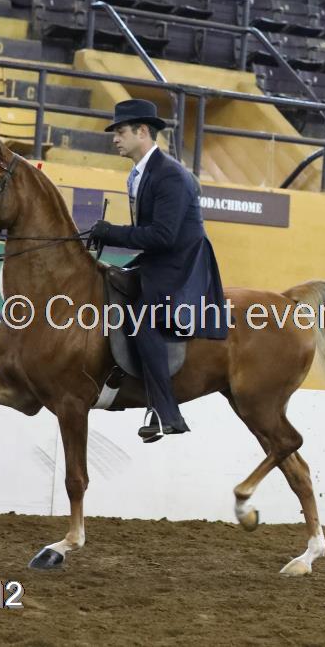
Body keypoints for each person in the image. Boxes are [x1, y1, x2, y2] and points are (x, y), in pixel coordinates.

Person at [89, 99, 229, 443]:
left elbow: (163, 236)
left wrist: (112, 232)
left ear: (142, 132)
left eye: (120, 132)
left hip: (180, 263)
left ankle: (165, 412)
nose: (115, 138)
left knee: (143, 319)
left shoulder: (169, 175)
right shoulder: (138, 174)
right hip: (158, 258)